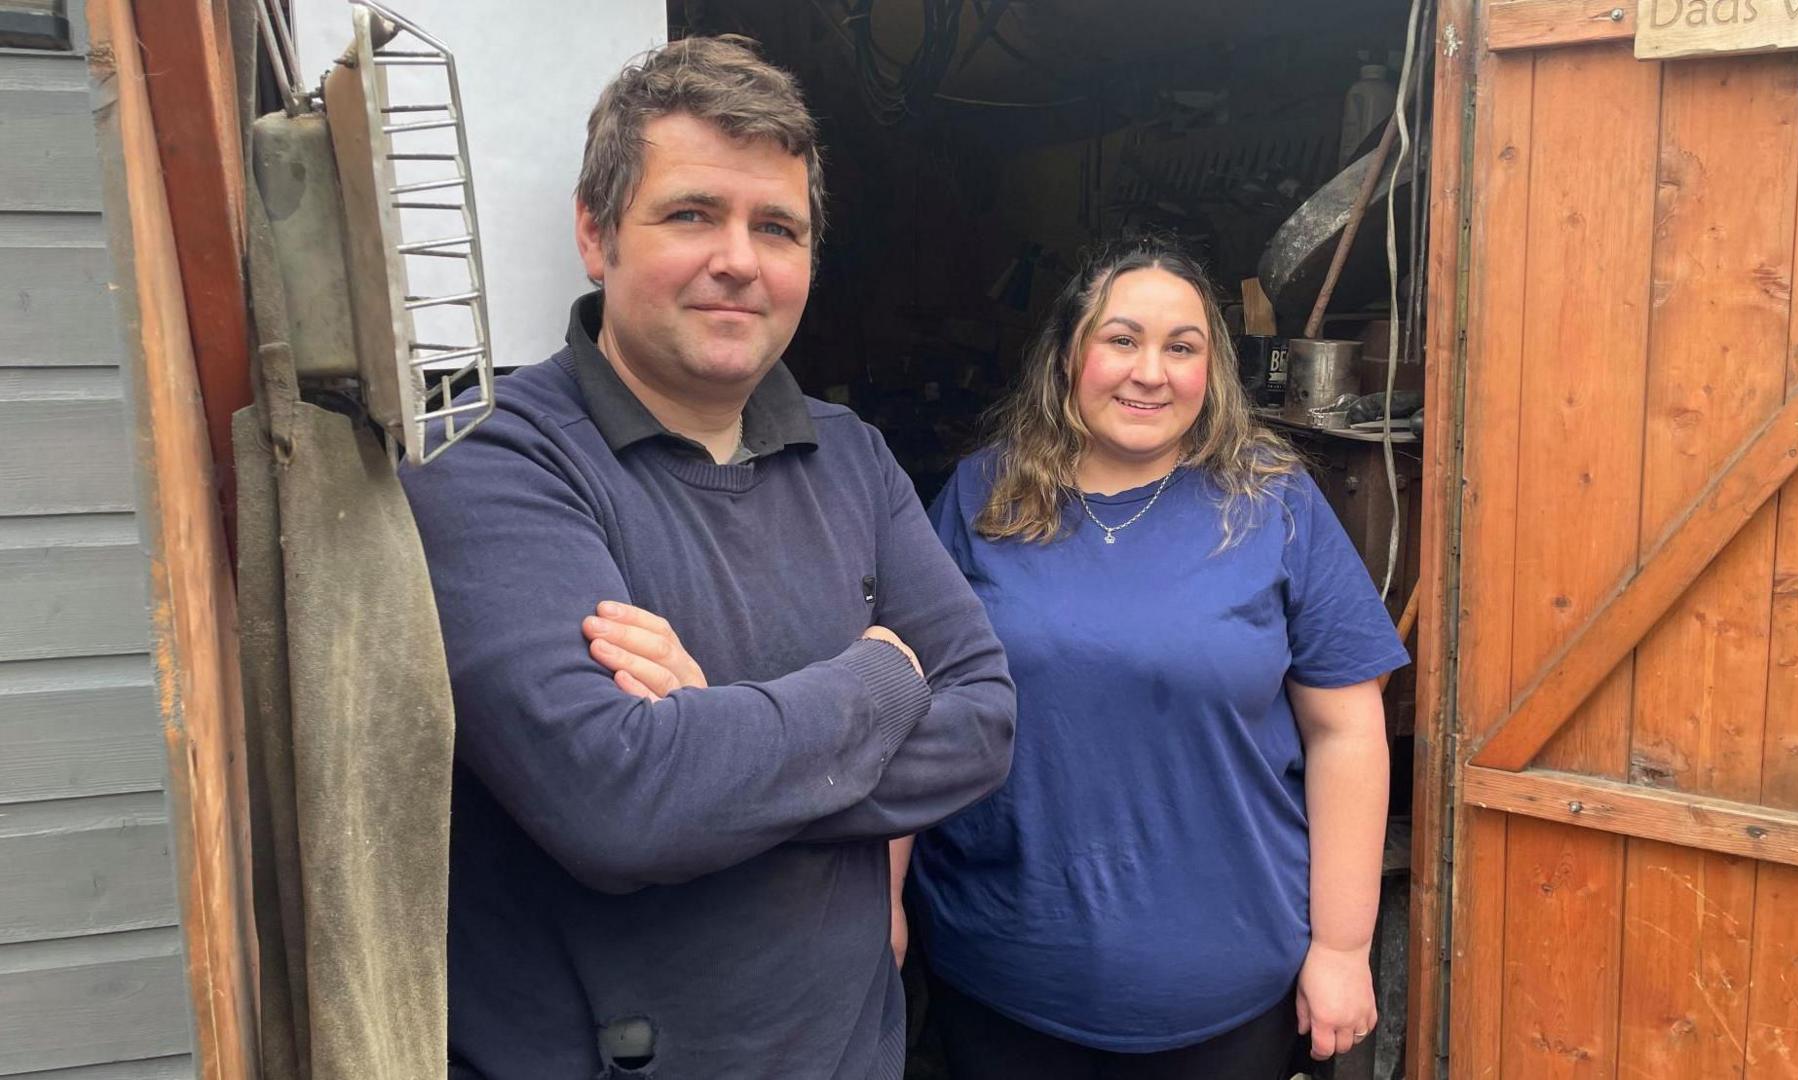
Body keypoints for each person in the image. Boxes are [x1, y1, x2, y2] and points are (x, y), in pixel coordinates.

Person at [401, 36, 1016, 1080]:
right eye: (692, 214)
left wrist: (708, 734)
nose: (740, 257)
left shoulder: (851, 454)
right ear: (596, 234)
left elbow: (986, 720)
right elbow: (620, 804)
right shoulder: (489, 449)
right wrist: (876, 680)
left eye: (777, 227)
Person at [906, 237, 1407, 1079]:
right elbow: (912, 708)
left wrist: (1344, 948)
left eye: (1183, 348)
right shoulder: (980, 497)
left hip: (1228, 992)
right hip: (1003, 979)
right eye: (1121, 339)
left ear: (1211, 370)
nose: (1152, 372)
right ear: (1070, 355)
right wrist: (883, 907)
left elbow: (1348, 730)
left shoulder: (1274, 502)